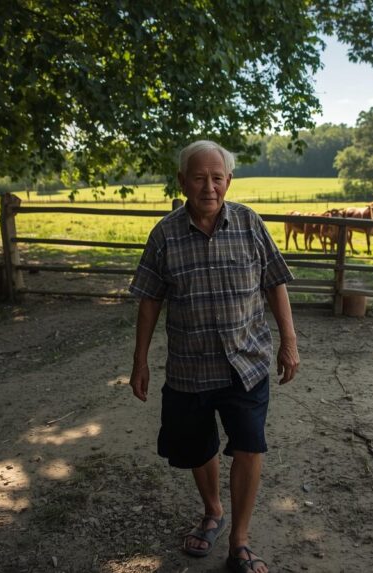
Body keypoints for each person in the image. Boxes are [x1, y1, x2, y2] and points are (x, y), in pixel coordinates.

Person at [128, 140, 300, 573]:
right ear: (182, 182)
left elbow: (275, 282)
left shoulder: (249, 223)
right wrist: (140, 361)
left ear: (229, 181)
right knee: (197, 447)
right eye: (199, 178)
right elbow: (149, 299)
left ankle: (239, 541)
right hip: (190, 367)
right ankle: (213, 511)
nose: (209, 187)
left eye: (217, 178)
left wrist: (289, 342)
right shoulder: (165, 235)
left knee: (249, 446)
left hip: (247, 363)